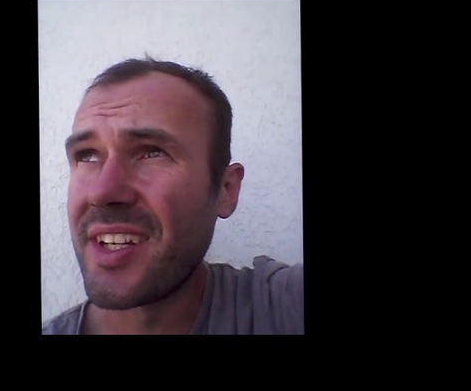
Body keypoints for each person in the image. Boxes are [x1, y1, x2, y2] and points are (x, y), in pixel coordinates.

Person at [42, 56, 304, 335]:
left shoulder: (284, 308)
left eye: (152, 152)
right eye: (87, 155)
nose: (102, 192)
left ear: (226, 189)